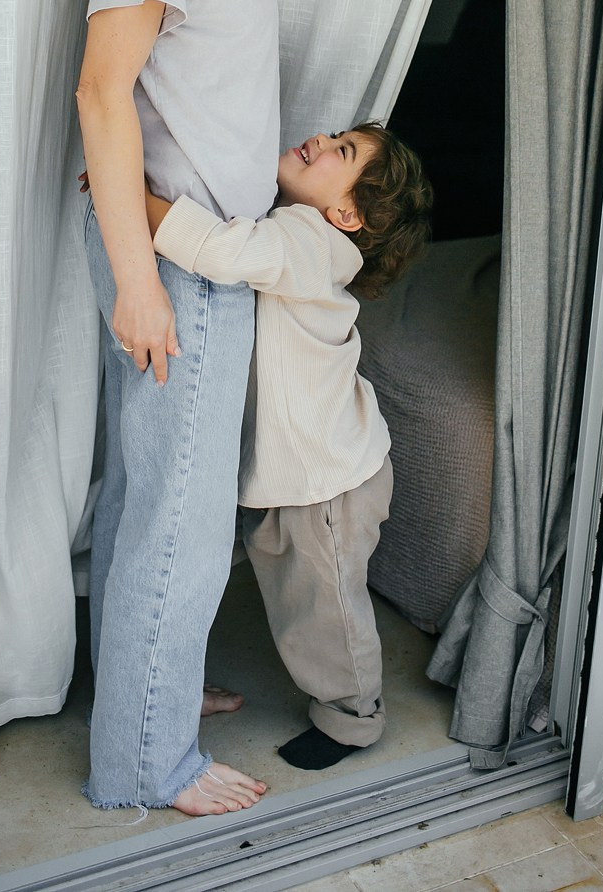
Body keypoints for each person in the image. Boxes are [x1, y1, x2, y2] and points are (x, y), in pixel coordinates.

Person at [76, 0, 279, 816]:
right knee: (178, 522)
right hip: (180, 267)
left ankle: (146, 681)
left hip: (194, 251)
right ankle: (145, 763)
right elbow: (105, 90)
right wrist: (136, 281)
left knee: (145, 498)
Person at [145, 123, 432, 771]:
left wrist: (130, 196)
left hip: (328, 480)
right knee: (294, 588)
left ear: (347, 213)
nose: (323, 140)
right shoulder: (301, 233)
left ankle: (353, 717)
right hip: (307, 468)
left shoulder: (312, 241)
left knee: (325, 606)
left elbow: (218, 251)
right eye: (336, 134)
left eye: (344, 152)